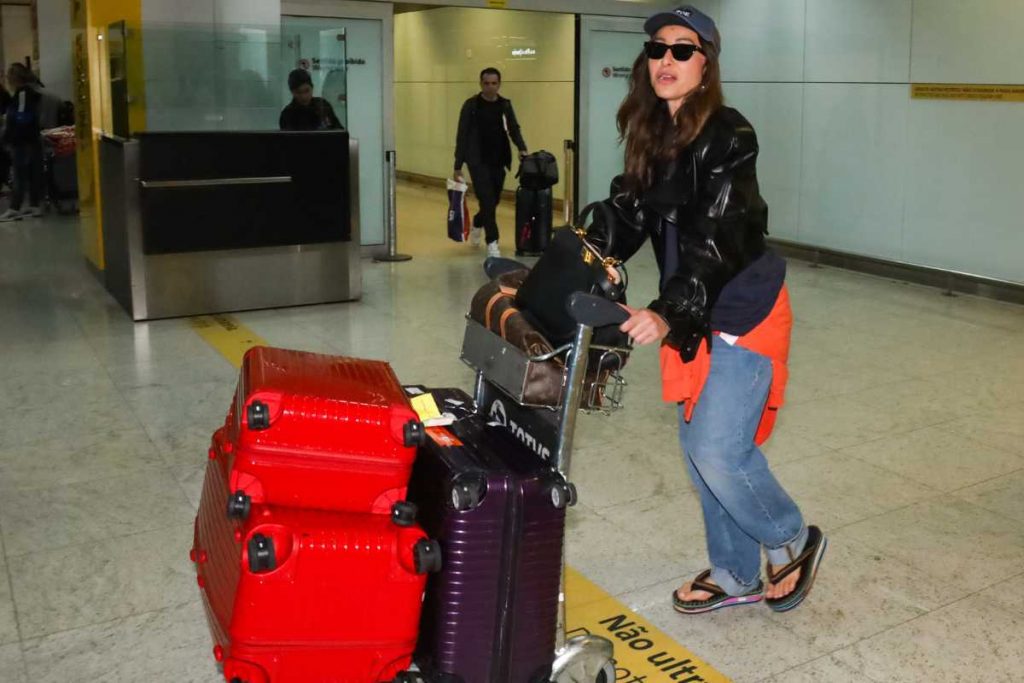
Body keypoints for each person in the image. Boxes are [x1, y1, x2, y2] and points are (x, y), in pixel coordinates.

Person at [592, 5, 826, 614]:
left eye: (682, 49)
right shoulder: (654, 133)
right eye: (656, 49)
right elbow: (627, 213)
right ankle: (735, 573)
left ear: (707, 62)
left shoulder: (729, 134)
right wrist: (578, 255)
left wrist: (667, 311)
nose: (665, 60)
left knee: (720, 451)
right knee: (700, 456)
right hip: (694, 309)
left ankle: (791, 538)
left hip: (741, 308)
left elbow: (715, 237)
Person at [453, 67, 528, 258]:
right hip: (477, 161)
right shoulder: (471, 105)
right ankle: (493, 243)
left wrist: (521, 148)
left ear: (499, 84)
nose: (490, 87)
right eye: (486, 83)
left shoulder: (504, 105)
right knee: (486, 200)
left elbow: (513, 128)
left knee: (492, 201)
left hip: (499, 160)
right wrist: (457, 165)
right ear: (481, 84)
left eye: (494, 83)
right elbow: (462, 135)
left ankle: (478, 222)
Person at [1, 64, 44, 221]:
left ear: (14, 78)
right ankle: (34, 205)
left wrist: (9, 129)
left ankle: (15, 207)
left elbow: (22, 116)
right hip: (30, 139)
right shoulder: (31, 92)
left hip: (22, 140)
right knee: (33, 173)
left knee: (19, 174)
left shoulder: (22, 94)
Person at [279, 68, 344, 132]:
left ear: (312, 88)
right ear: (292, 92)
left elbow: (339, 131)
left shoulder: (323, 105)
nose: (303, 96)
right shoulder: (287, 115)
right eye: (298, 92)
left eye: (307, 91)